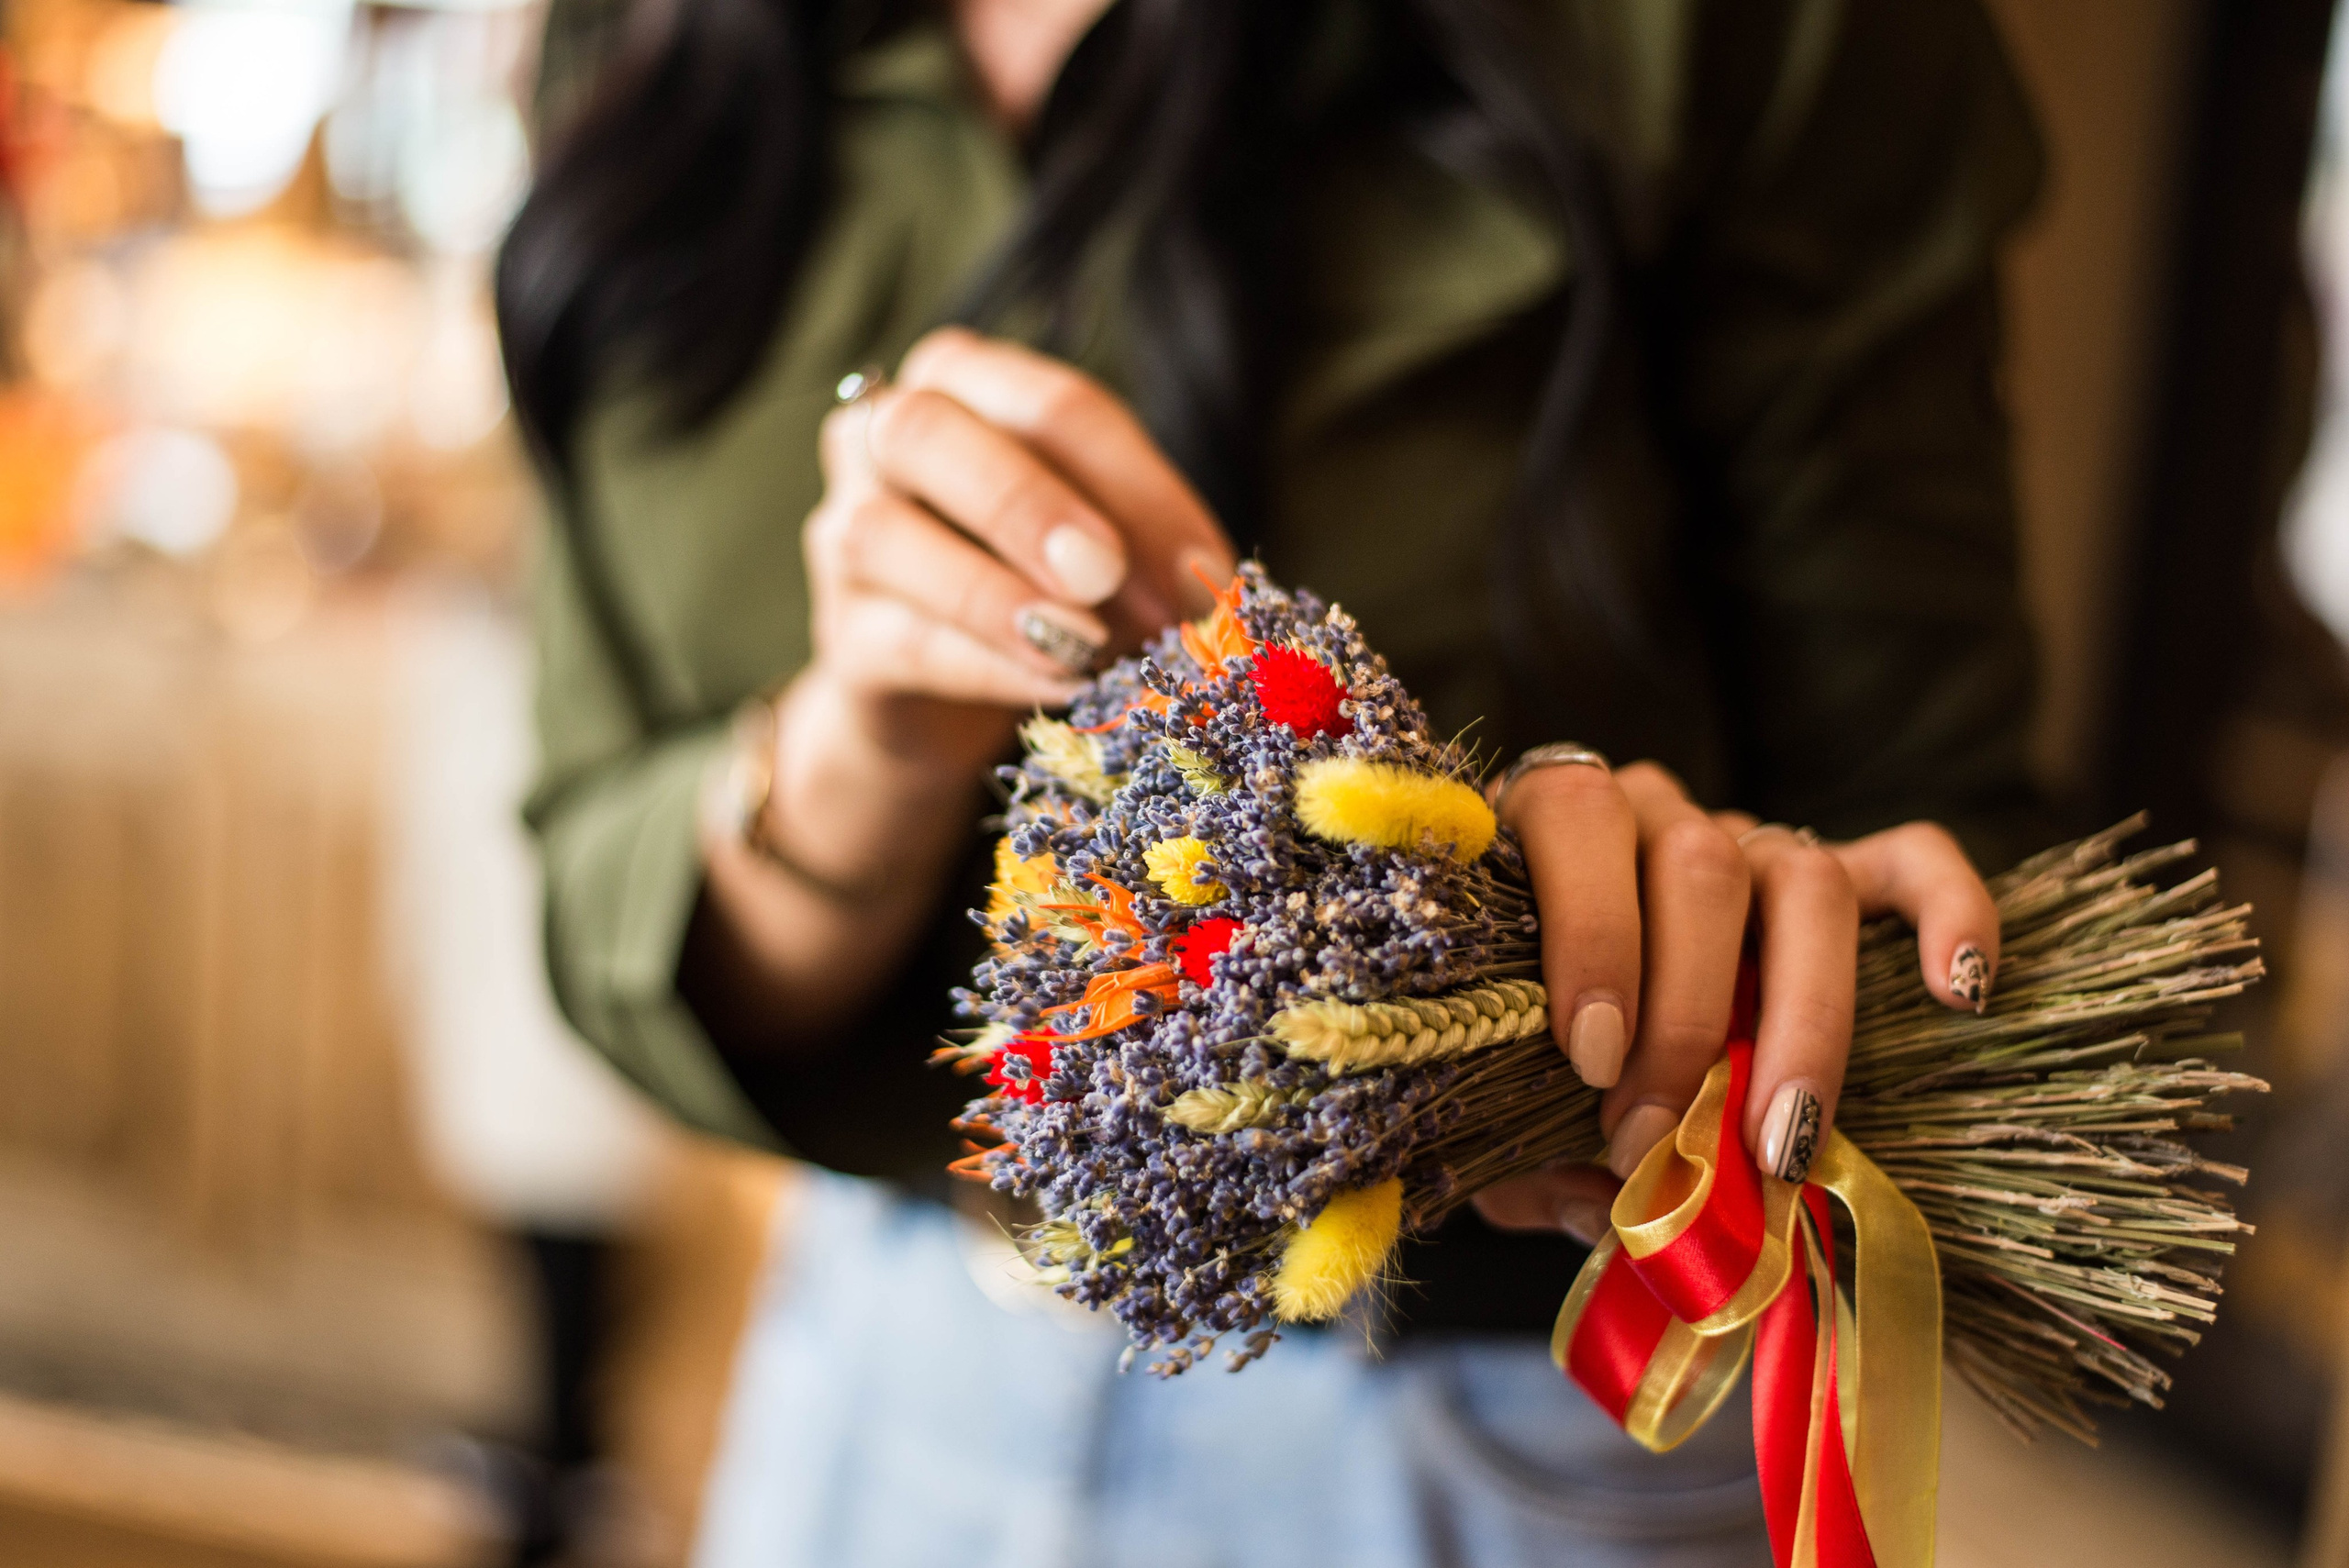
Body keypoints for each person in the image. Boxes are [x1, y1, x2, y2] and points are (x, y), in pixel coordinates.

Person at [498, 0, 2045, 1562]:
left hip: (1497, 1439)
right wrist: (862, 755)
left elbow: (1930, 822)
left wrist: (1743, 926)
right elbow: (601, 883)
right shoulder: (646, 40)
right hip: (890, 1360)